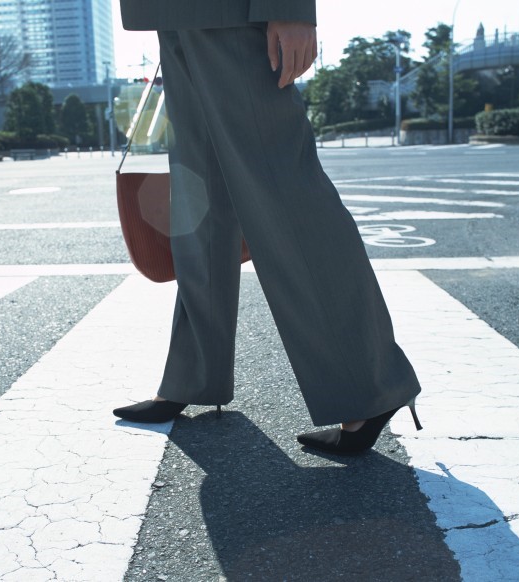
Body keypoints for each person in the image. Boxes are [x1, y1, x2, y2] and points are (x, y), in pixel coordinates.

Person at [113, 0, 423, 455]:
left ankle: (369, 386)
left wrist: (290, 6)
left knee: (284, 192)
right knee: (199, 205)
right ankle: (194, 374)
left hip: (235, 13)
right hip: (171, 14)